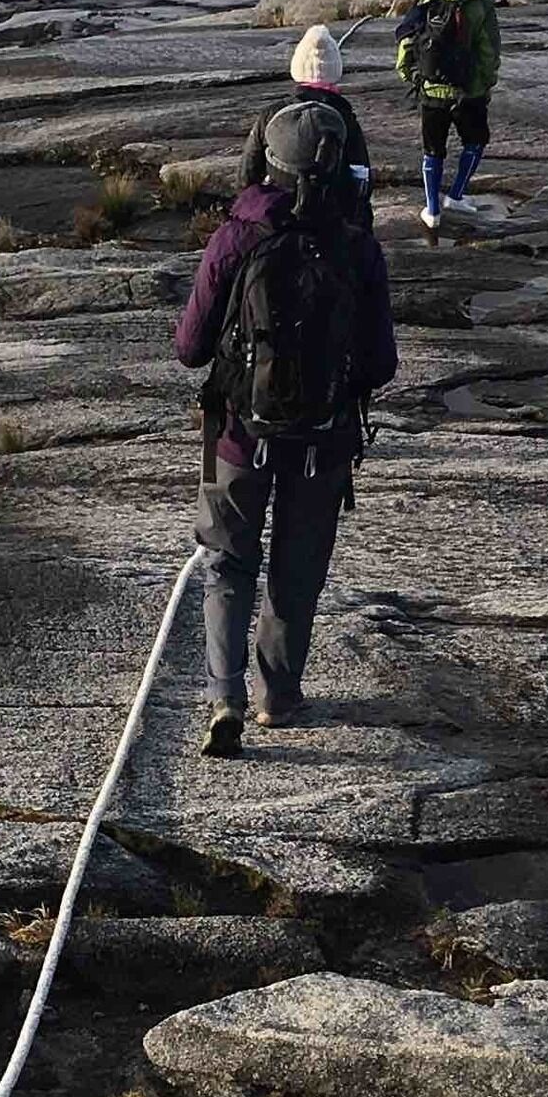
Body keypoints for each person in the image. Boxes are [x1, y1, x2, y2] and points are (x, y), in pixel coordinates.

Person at [173, 92, 397, 758]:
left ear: (263, 160)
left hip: (233, 436)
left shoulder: (236, 236)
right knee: (297, 570)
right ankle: (278, 695)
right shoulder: (358, 248)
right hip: (323, 446)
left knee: (225, 562)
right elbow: (381, 363)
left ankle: (224, 697)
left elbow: (189, 348)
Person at [395, 0, 501, 232]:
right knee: (475, 142)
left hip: (431, 89)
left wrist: (409, 75)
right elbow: (489, 50)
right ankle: (455, 195)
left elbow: (408, 39)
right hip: (469, 92)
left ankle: (431, 209)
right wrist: (484, 83)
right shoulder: (481, 1)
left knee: (432, 150)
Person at [242, 23, 373, 213]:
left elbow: (247, 175)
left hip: (278, 216)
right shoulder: (346, 120)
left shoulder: (270, 115)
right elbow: (362, 178)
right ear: (335, 70)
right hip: (332, 219)